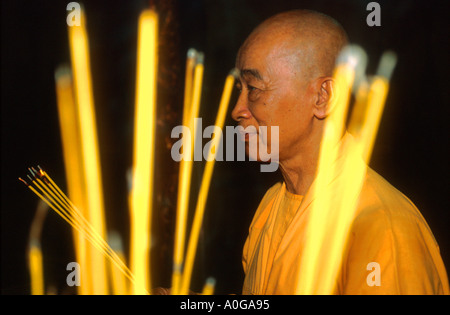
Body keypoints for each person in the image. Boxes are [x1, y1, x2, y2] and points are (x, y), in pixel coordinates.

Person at [232, 9, 449, 294]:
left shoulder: (380, 226)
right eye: (239, 89)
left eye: (254, 88)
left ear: (324, 97)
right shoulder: (271, 205)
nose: (237, 110)